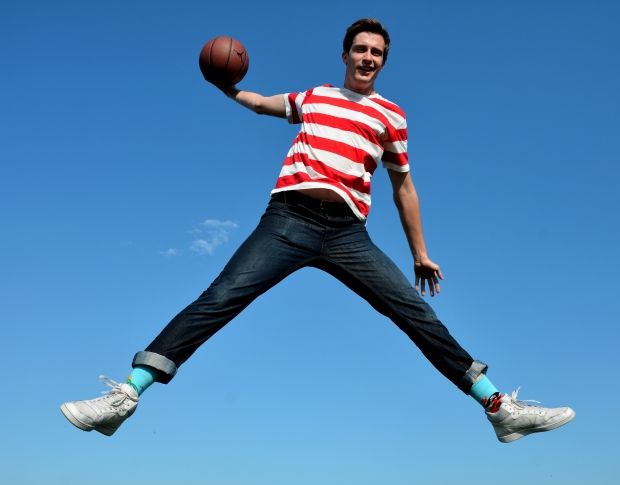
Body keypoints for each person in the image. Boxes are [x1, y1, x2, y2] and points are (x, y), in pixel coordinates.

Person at [60, 18, 574, 443]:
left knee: (413, 311)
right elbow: (262, 103)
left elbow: (404, 187)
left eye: (377, 53)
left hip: (348, 233)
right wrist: (228, 88)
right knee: (221, 297)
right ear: (346, 54)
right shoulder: (316, 96)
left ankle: (499, 408)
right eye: (361, 49)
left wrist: (420, 252)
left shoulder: (391, 117)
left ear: (383, 62)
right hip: (288, 220)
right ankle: (125, 396)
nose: (368, 58)